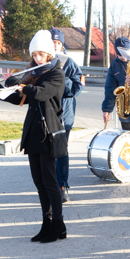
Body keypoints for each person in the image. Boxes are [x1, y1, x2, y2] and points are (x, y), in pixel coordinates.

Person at [1, 30, 68, 243]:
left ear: (49, 54)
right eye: (34, 55)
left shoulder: (56, 74)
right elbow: (22, 98)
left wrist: (20, 84)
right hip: (33, 133)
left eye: (41, 54)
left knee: (50, 181)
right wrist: (1, 89)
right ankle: (46, 222)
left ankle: (58, 223)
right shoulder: (33, 73)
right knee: (39, 182)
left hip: (48, 132)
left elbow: (40, 93)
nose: (37, 59)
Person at [50, 28, 84, 203]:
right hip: (47, 112)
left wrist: (62, 76)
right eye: (52, 43)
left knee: (61, 150)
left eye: (58, 43)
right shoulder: (43, 61)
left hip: (65, 112)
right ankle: (51, 184)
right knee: (48, 150)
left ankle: (63, 186)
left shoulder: (69, 63)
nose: (55, 46)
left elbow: (76, 89)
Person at [102, 36, 130, 131]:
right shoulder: (114, 65)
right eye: (121, 55)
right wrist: (107, 110)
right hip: (124, 108)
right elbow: (110, 88)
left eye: (125, 54)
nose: (124, 58)